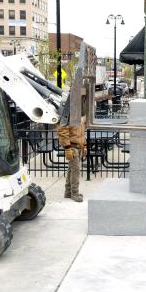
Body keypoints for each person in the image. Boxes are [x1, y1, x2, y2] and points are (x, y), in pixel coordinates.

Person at [57, 64, 88, 203]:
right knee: (75, 171)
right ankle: (74, 193)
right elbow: (62, 129)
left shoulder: (80, 111)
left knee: (72, 170)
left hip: (77, 146)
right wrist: (67, 148)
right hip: (73, 146)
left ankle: (68, 192)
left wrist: (84, 145)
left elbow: (82, 130)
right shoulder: (70, 111)